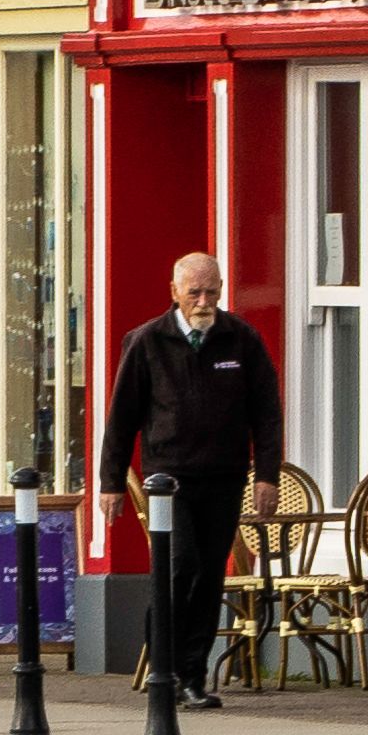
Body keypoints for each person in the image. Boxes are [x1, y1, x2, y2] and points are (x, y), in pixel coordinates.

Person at [96, 251, 283, 708]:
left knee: (208, 579)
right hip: (168, 479)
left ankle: (193, 677)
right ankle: (163, 668)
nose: (204, 301)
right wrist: (111, 481)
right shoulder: (146, 342)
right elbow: (122, 419)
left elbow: (267, 414)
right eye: (195, 292)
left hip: (224, 476)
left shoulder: (242, 340)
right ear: (174, 292)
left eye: (212, 291)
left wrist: (267, 476)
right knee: (180, 568)